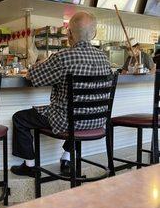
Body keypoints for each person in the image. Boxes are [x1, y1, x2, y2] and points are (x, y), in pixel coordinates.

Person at [11, 11, 112, 178]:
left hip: (68, 121)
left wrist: (46, 60)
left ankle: (29, 165)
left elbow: (31, 76)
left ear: (69, 33)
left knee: (20, 118)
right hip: (97, 121)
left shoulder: (63, 57)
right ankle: (66, 158)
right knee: (77, 114)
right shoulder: (105, 59)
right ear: (94, 33)